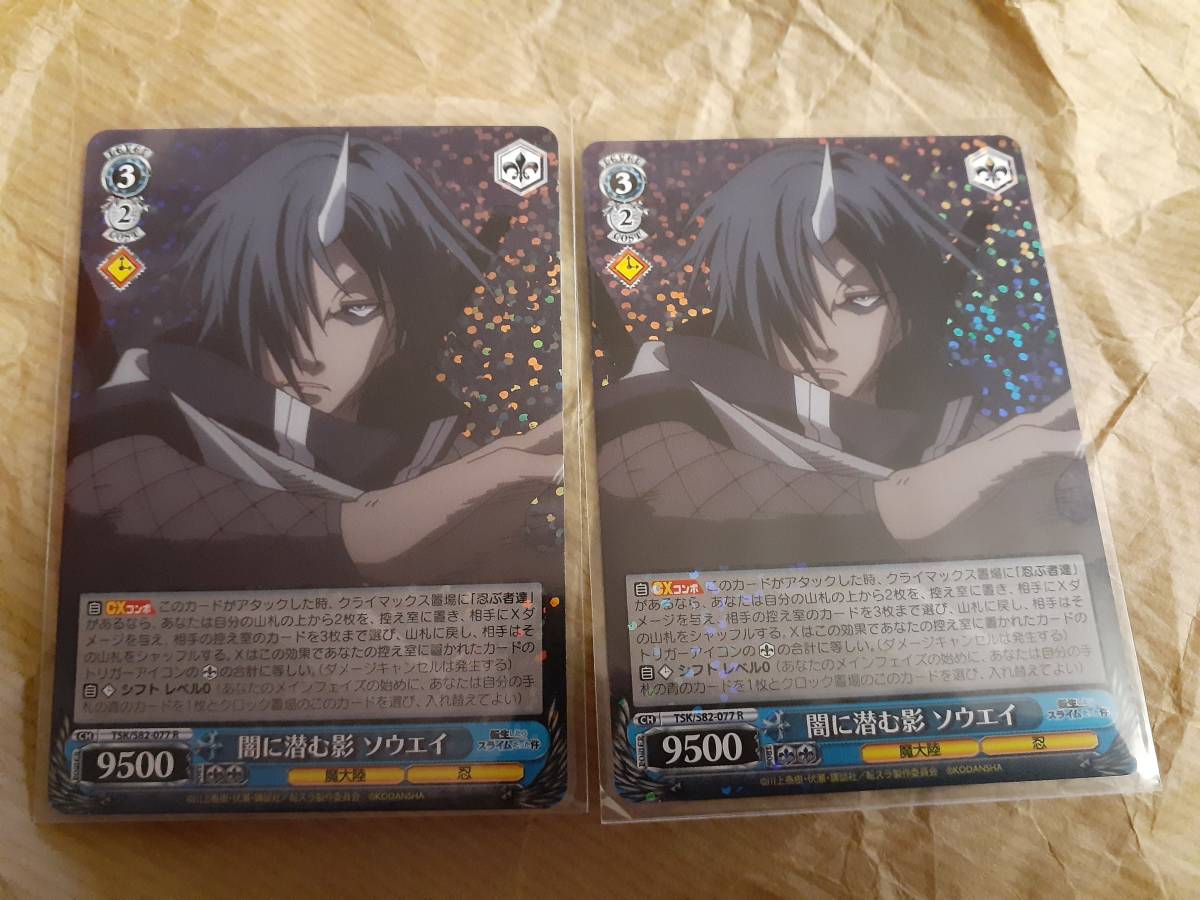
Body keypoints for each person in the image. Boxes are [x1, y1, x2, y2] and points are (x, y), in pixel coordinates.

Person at [64, 133, 561, 592]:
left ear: (400, 327)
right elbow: (114, 503)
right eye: (280, 305)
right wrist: (367, 530)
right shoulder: (140, 422)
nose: (308, 351)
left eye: (354, 311)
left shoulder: (442, 448)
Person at [595, 144, 1095, 573]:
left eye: (858, 301)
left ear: (903, 316)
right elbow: (659, 488)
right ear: (749, 308)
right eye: (789, 304)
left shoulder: (964, 430)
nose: (821, 341)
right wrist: (916, 499)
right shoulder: (661, 407)